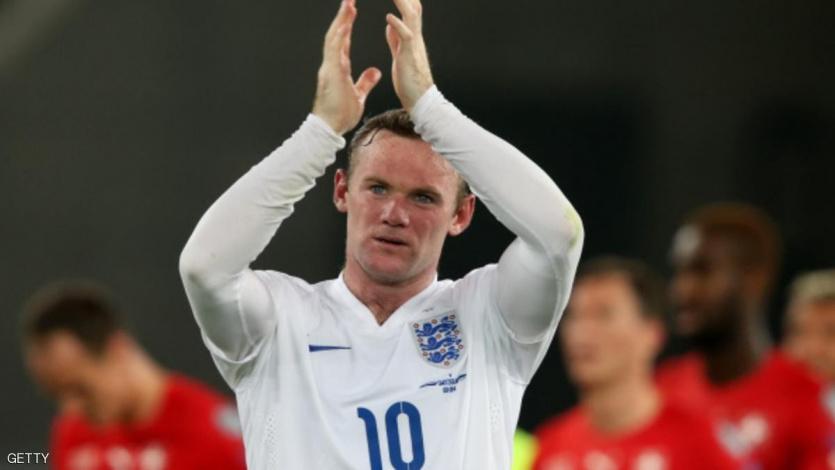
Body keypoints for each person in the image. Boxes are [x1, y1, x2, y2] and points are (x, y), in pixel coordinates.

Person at [178, 0, 584, 467]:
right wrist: (320, 133)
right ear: (342, 191)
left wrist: (431, 107)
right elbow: (204, 268)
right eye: (377, 188)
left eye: (423, 198)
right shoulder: (279, 320)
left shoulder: (489, 316)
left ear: (461, 214)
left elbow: (559, 234)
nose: (394, 214)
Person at [656, 203, 830, 469]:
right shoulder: (660, 392)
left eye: (702, 271)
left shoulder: (808, 400)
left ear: (754, 277)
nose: (683, 290)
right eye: (679, 272)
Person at [534, 257, 739, 470]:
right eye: (573, 316)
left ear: (652, 334)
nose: (581, 333)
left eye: (603, 315)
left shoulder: (699, 443)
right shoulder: (551, 447)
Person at [22, 280, 246, 470]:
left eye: (80, 389)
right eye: (56, 394)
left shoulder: (216, 436)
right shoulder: (73, 435)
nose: (71, 409)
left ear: (116, 349)